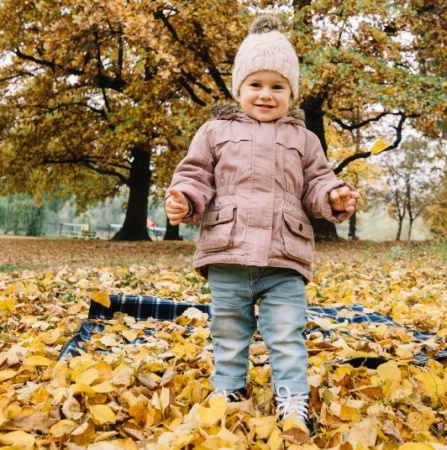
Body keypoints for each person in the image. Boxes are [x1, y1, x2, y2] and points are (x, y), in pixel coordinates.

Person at [164, 14, 359, 431]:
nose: (266, 95)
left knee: (287, 334)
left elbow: (317, 183)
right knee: (228, 330)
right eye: (256, 84)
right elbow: (195, 175)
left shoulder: (305, 139)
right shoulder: (215, 131)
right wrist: (184, 199)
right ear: (239, 89)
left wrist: (333, 195)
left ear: (292, 92)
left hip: (283, 258)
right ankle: (230, 388)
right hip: (228, 253)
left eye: (278, 87)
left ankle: (291, 398)